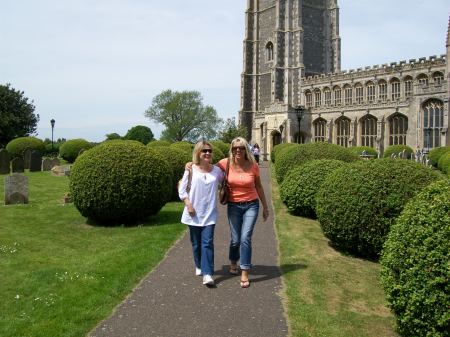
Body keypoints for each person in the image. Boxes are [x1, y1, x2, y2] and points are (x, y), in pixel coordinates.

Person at [217, 137, 269, 288]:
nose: (237, 150)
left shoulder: (253, 165)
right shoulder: (225, 163)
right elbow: (207, 167)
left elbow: (259, 186)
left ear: (246, 148)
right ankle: (233, 261)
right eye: (235, 148)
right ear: (231, 150)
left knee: (246, 237)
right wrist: (190, 165)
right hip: (233, 206)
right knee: (235, 239)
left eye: (240, 147)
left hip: (251, 205)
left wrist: (265, 207)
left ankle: (245, 270)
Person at [179, 141, 224, 286]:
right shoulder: (191, 169)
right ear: (198, 153)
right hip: (193, 213)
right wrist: (189, 205)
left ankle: (208, 274)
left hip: (209, 214)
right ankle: (199, 265)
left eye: (209, 151)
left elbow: (226, 180)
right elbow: (182, 190)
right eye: (204, 151)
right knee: (196, 244)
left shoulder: (217, 171)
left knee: (207, 243)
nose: (207, 153)